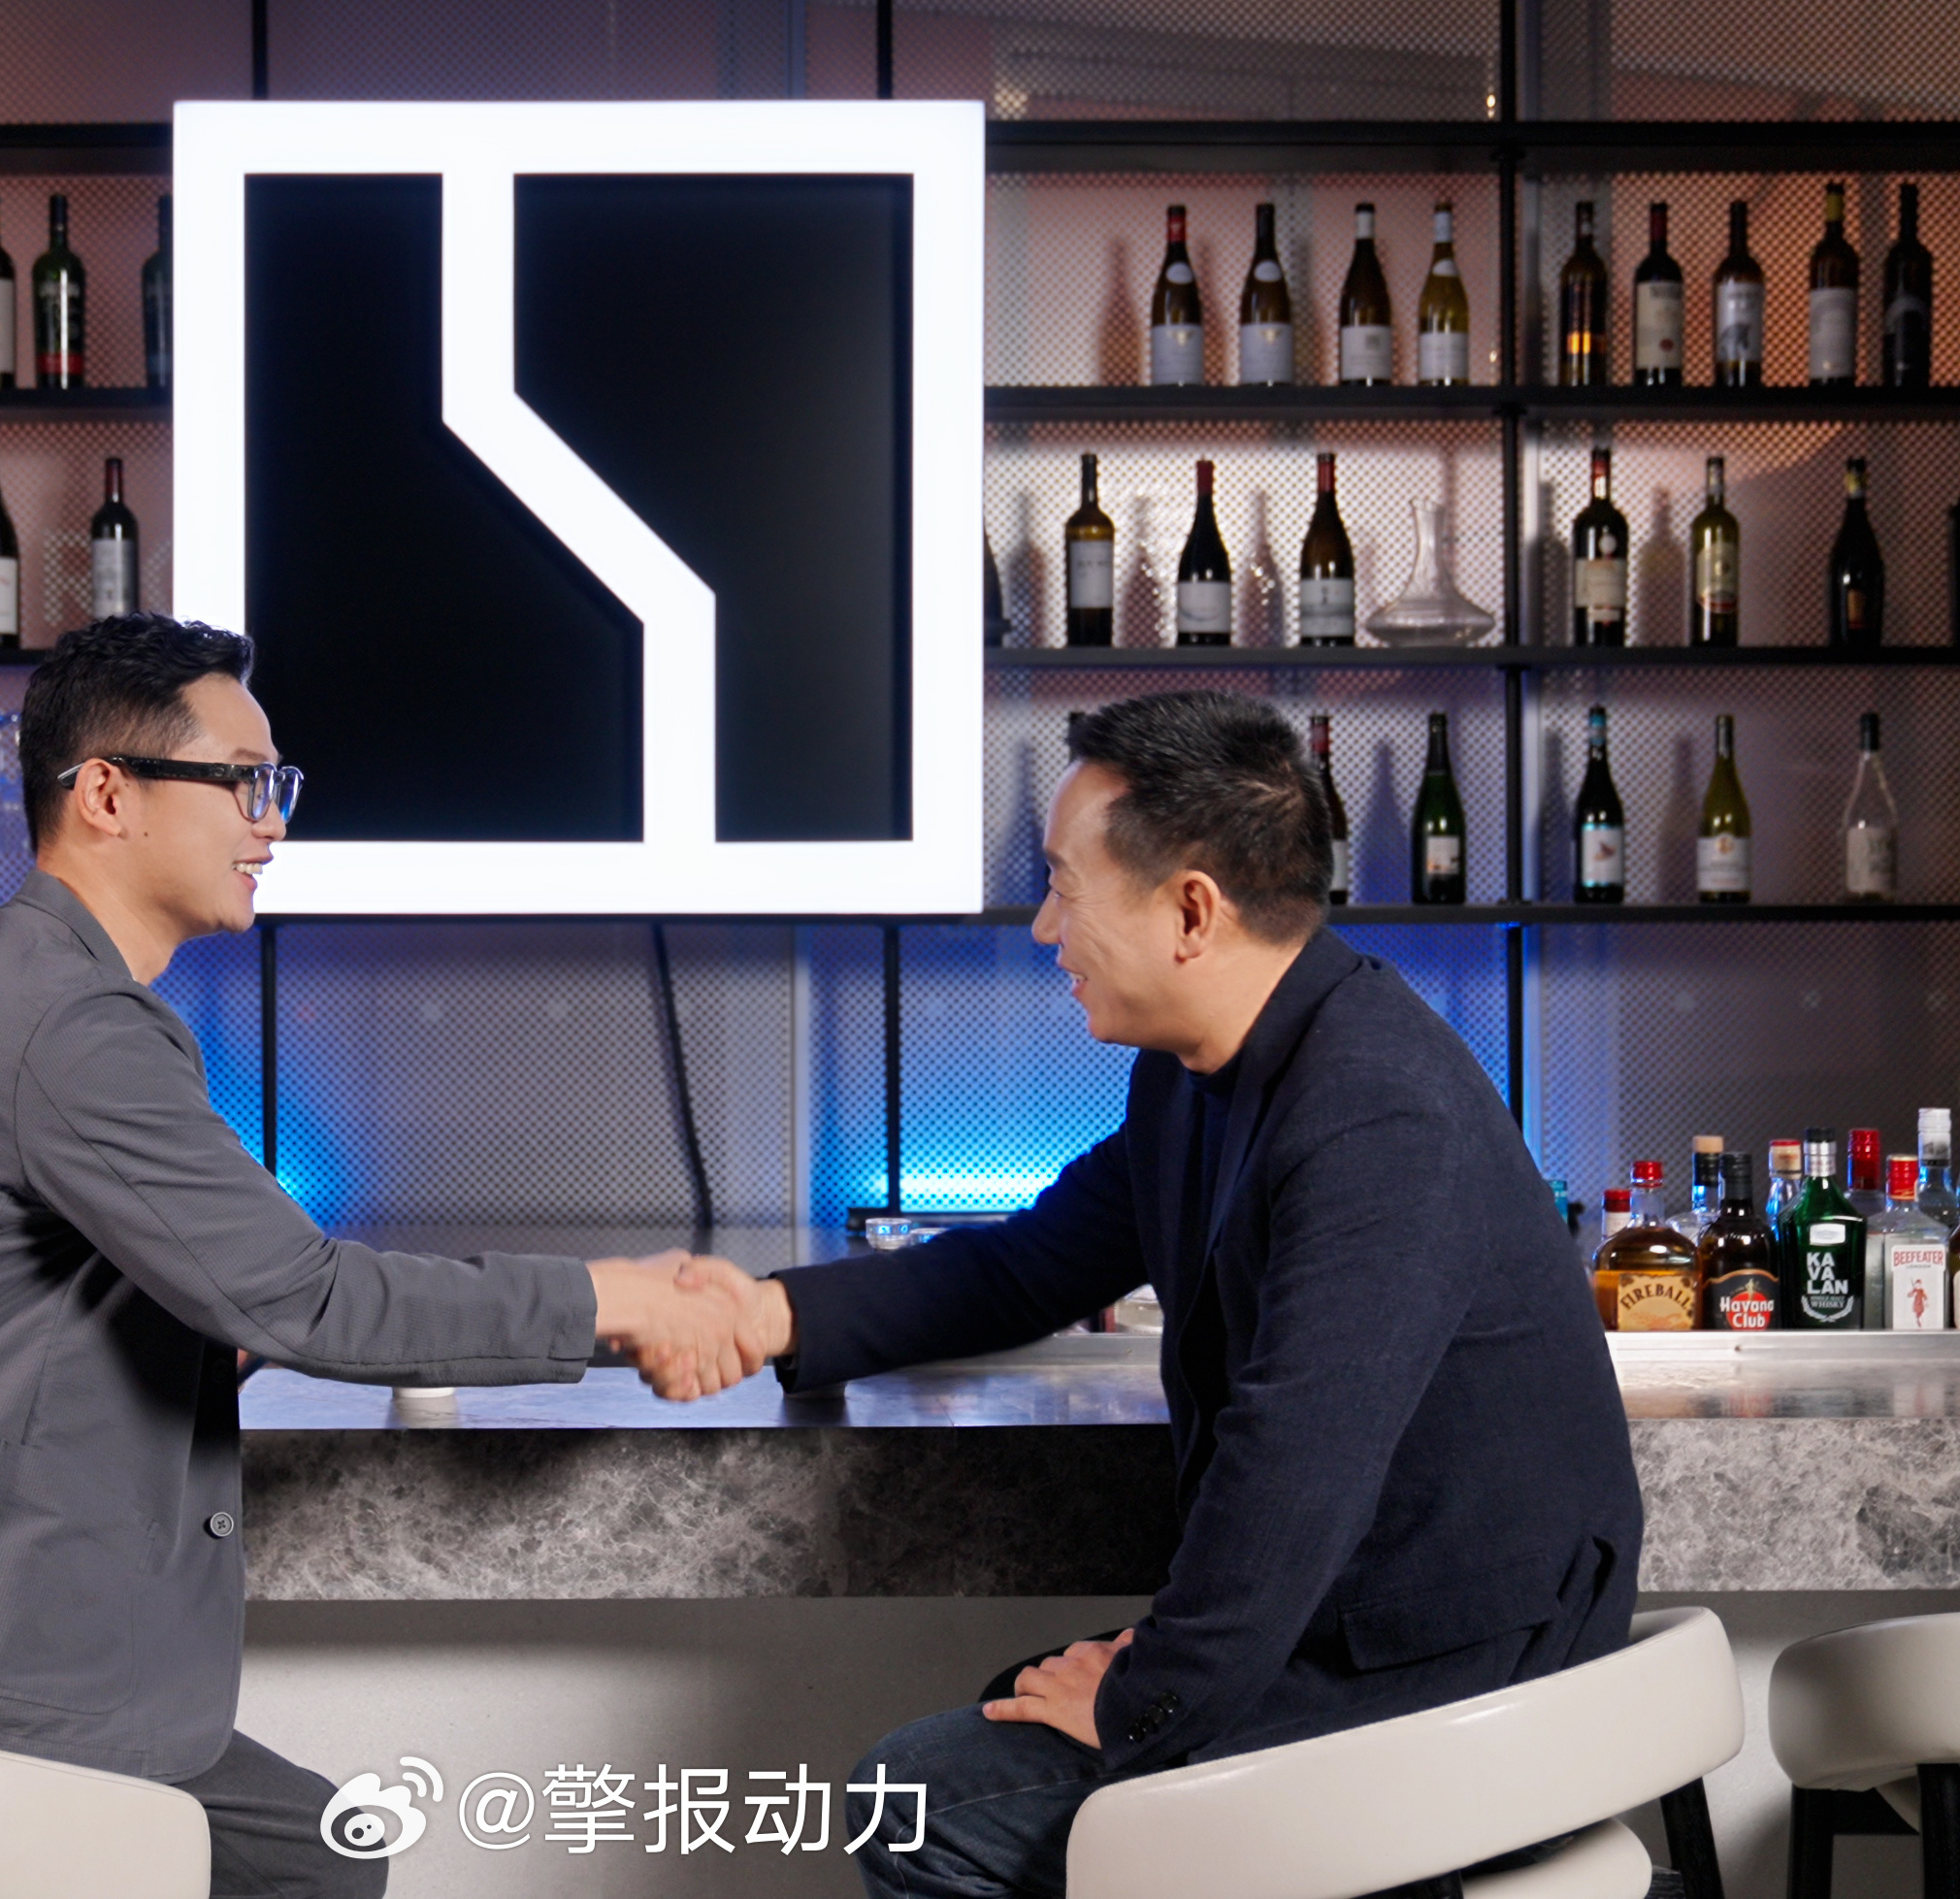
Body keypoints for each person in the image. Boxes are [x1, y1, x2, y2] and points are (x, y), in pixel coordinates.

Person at [0, 613, 760, 1899]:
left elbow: (184, 1292)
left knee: (322, 1861)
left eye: (279, 788)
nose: (271, 826)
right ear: (107, 795)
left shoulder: (54, 992)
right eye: (243, 785)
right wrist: (618, 1300)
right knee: (317, 1871)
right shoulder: (67, 1023)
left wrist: (220, 1320)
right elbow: (305, 1296)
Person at [681, 692, 1640, 1899]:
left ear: (1191, 911)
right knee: (1003, 1713)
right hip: (1352, 1630)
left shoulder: (1375, 1108)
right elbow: (1031, 1264)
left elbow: (1295, 1467)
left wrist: (1144, 1697)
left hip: (1458, 1680)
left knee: (927, 1801)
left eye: (1062, 887)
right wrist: (767, 1316)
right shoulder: (1197, 1078)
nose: (1044, 928)